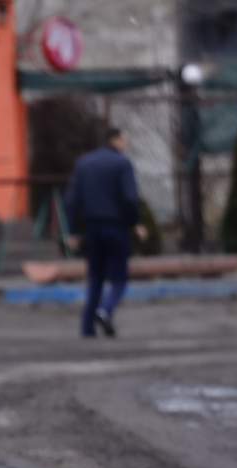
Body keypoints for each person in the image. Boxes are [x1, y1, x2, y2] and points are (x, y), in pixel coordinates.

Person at [64, 128, 146, 339]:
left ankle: (87, 327)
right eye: (124, 139)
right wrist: (135, 222)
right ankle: (105, 311)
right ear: (115, 140)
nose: (126, 143)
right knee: (119, 277)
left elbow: (72, 200)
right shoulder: (122, 163)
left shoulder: (84, 163)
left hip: (91, 228)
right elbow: (130, 198)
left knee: (95, 277)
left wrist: (73, 231)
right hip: (116, 227)